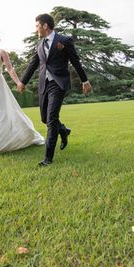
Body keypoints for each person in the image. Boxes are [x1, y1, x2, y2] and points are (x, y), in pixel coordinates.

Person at [18, 13, 91, 166]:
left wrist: (85, 81)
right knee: (45, 118)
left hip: (58, 84)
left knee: (51, 119)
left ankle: (48, 159)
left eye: (37, 25)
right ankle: (63, 130)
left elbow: (75, 61)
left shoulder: (63, 41)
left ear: (45, 26)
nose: (36, 29)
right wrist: (22, 82)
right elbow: (33, 64)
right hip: (44, 84)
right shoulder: (39, 45)